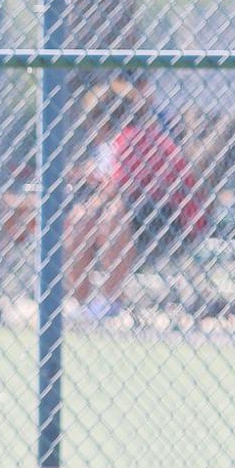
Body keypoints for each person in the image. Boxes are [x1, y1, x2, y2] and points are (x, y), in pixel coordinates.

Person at [66, 78, 209, 320]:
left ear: (106, 120)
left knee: (112, 214)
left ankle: (110, 302)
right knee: (80, 218)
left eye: (94, 122)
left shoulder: (134, 138)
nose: (91, 130)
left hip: (172, 221)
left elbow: (119, 191)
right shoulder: (110, 146)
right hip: (140, 218)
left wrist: (94, 200)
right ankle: (84, 306)